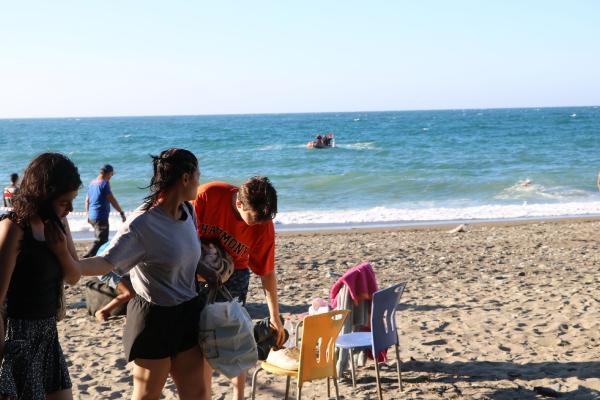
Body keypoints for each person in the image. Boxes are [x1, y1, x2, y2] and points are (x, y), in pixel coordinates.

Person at [46, 148, 208, 400]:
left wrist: (209, 269)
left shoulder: (188, 212)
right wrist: (72, 265)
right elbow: (107, 261)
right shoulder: (142, 223)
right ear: (185, 178)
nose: (200, 179)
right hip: (155, 319)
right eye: (198, 174)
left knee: (198, 394)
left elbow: (184, 254)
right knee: (146, 395)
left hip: (188, 313)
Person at [192, 175, 284, 400]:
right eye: (252, 220)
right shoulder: (209, 195)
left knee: (235, 337)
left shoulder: (263, 224)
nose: (258, 225)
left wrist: (275, 315)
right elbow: (183, 236)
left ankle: (238, 396)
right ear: (239, 203)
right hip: (196, 269)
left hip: (236, 276)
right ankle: (205, 394)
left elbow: (267, 272)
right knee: (201, 339)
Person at [0, 153, 82, 399]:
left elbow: (74, 275)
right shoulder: (14, 228)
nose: (70, 209)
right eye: (64, 202)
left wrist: (60, 252)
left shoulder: (58, 223)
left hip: (48, 334)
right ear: (44, 195)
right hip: (18, 336)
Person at [83, 164, 126, 258]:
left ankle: (95, 260)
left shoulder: (92, 183)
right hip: (100, 216)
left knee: (102, 240)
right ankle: (86, 258)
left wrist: (88, 215)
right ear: (108, 173)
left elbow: (87, 200)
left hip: (92, 216)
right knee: (101, 240)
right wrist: (121, 212)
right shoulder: (104, 183)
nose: (111, 176)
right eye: (111, 174)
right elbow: (112, 199)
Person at [94, 243, 135, 322]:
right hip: (105, 270)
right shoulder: (128, 240)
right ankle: (103, 311)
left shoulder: (123, 238)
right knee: (129, 292)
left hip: (114, 267)